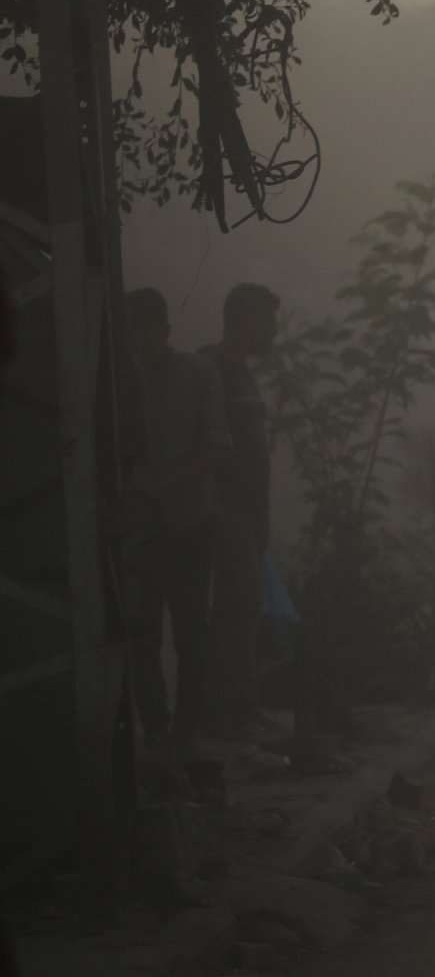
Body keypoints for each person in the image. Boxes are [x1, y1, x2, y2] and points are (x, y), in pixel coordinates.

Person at [125, 288, 231, 750]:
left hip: (188, 524)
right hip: (139, 531)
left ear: (164, 330)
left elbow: (219, 446)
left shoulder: (197, 372)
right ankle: (156, 732)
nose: (137, 345)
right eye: (129, 336)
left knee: (191, 634)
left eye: (143, 333)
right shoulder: (117, 379)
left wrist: (161, 484)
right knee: (142, 634)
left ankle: (186, 734)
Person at [197, 282, 280, 738]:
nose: (274, 330)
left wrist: (261, 512)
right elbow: (201, 438)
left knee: (237, 607)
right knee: (240, 603)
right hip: (226, 515)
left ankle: (221, 709)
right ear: (245, 320)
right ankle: (237, 710)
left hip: (249, 513)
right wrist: (217, 504)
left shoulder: (242, 370)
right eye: (268, 320)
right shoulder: (209, 367)